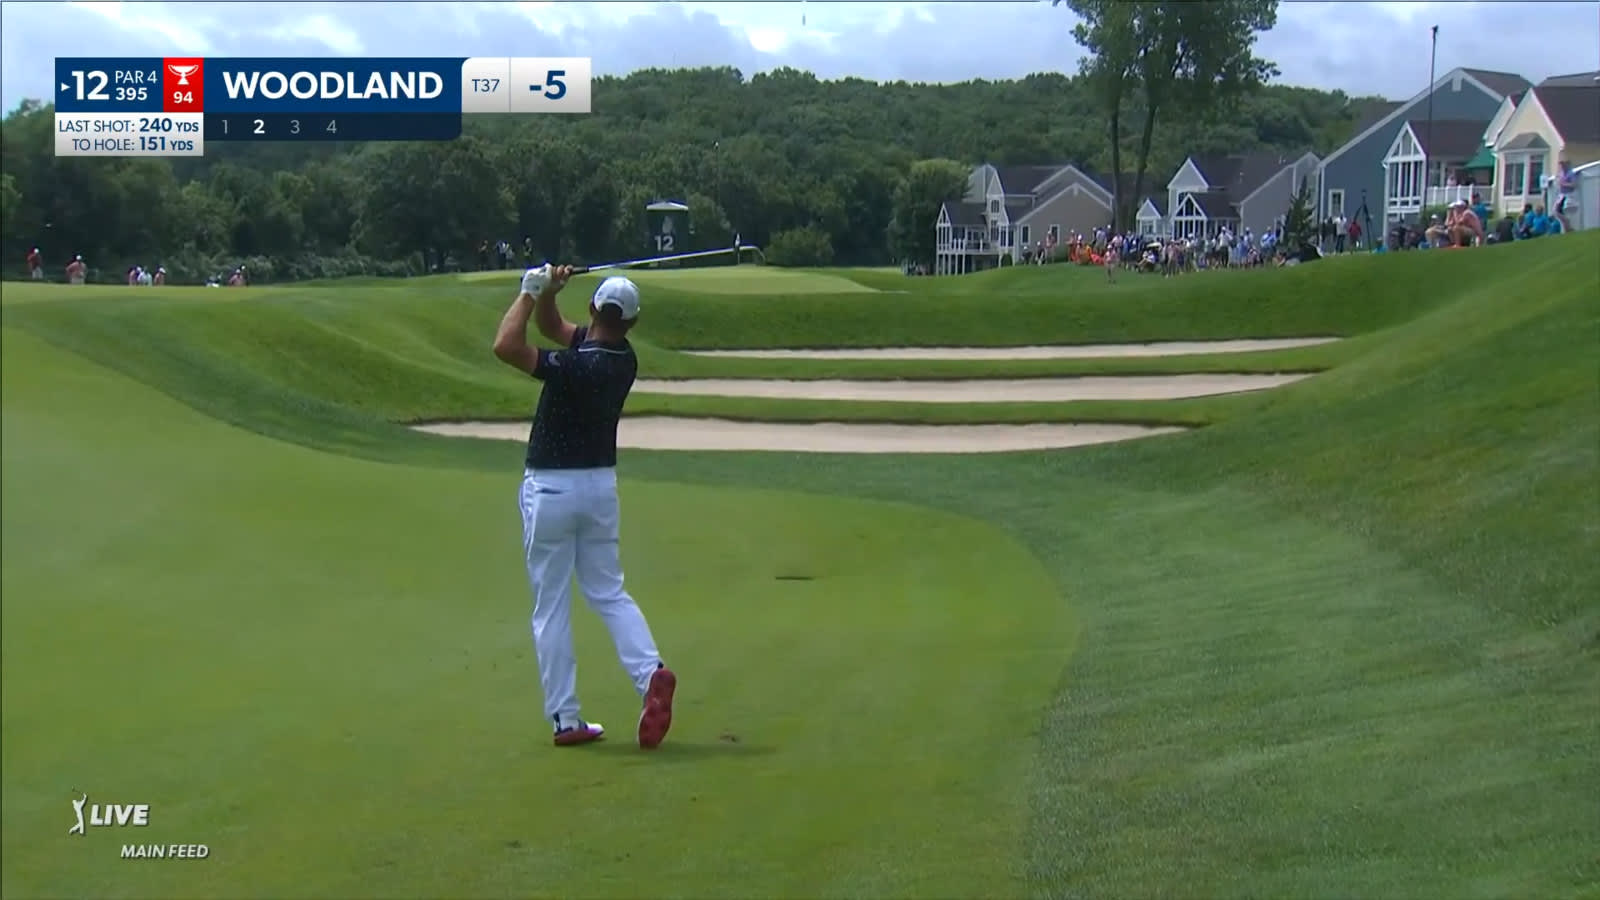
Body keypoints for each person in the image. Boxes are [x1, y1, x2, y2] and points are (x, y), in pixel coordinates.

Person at [491, 263, 677, 749]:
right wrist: (552, 292)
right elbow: (553, 328)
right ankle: (650, 673)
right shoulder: (621, 359)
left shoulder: (576, 365)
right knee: (608, 591)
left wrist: (529, 290)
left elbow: (506, 345)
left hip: (551, 489)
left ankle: (565, 719)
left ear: (594, 309)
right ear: (630, 323)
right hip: (598, 490)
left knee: (550, 605)